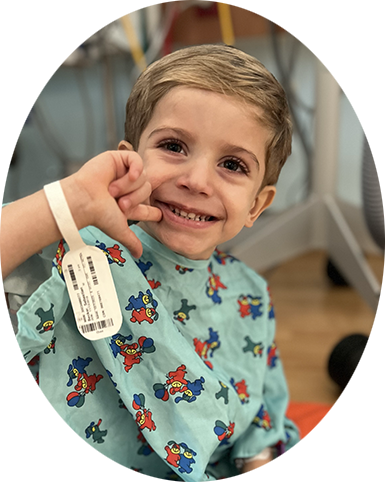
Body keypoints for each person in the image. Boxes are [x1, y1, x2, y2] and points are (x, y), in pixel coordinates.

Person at [0, 44, 383, 482]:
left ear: (257, 205)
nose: (196, 181)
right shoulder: (80, 257)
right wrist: (66, 203)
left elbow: (256, 423)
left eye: (233, 164)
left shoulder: (248, 294)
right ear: (128, 160)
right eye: (174, 146)